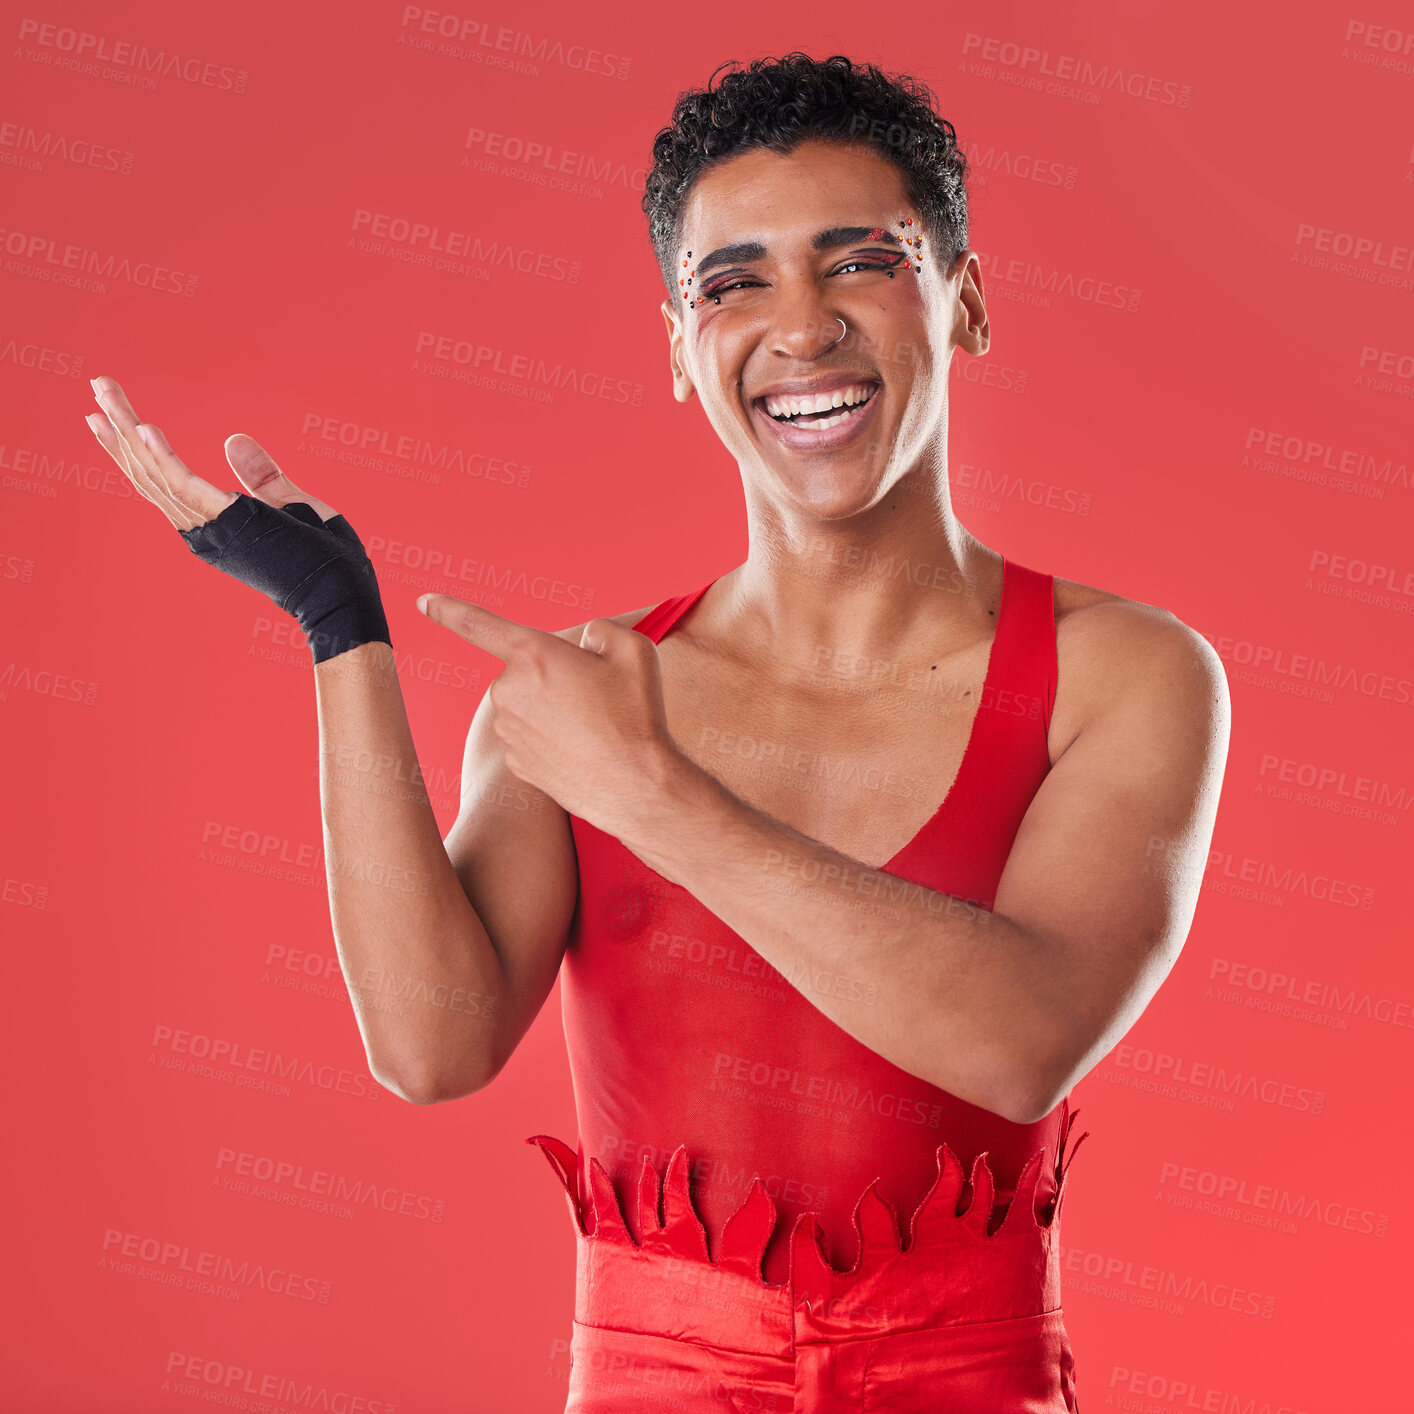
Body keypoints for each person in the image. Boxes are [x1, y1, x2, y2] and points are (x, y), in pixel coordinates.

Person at [86, 50, 1229, 1414]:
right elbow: (431, 1044)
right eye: (732, 283)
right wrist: (341, 630)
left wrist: (656, 795)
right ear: (679, 350)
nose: (798, 329)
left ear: (963, 301)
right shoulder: (575, 698)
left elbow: (1019, 1038)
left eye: (857, 261)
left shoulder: (1126, 672)